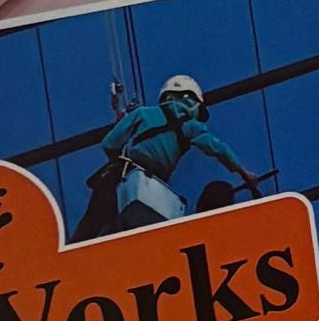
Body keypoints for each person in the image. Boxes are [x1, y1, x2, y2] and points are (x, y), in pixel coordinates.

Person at [77, 77, 262, 236]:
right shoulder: (191, 126)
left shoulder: (143, 113)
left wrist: (119, 158)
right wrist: (243, 172)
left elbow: (109, 143)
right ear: (192, 100)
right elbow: (217, 148)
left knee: (92, 228)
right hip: (153, 191)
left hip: (117, 178)